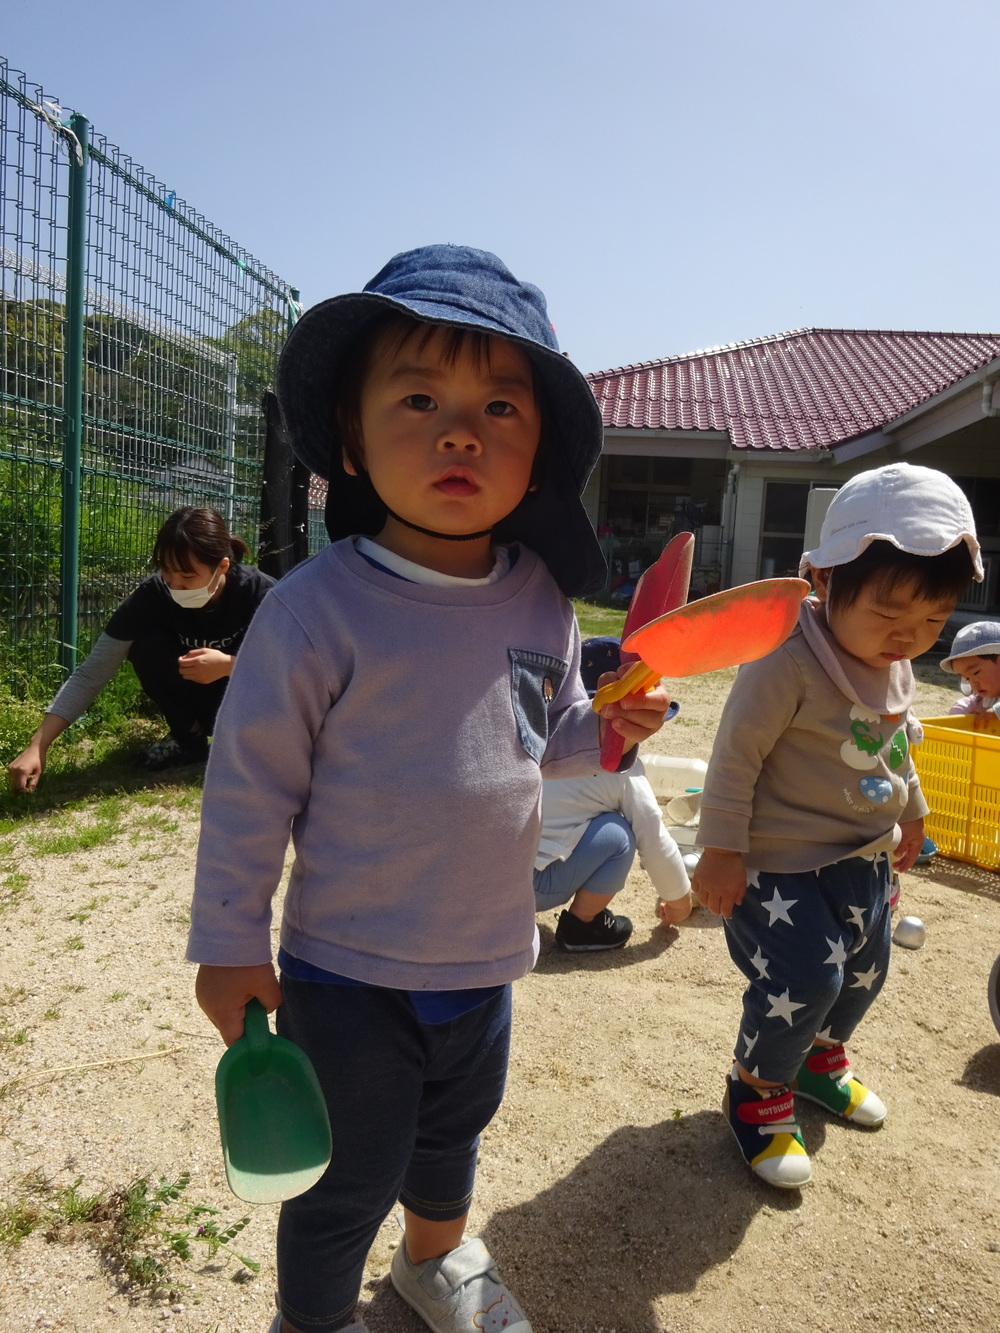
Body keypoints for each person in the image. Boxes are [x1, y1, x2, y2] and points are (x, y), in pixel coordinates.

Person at [186, 245, 675, 1333]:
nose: (462, 429)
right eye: (420, 397)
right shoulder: (318, 610)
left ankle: (432, 1263)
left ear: (539, 448)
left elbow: (533, 736)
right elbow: (250, 785)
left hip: (486, 955)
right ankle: (311, 1319)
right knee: (341, 1174)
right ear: (351, 443)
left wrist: (610, 732)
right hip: (348, 970)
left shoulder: (542, 603)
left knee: (452, 1137)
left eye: (501, 405)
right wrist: (228, 938)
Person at [691, 462, 980, 1189]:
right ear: (822, 582)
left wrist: (913, 810)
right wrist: (721, 850)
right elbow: (734, 756)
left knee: (867, 967)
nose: (909, 636)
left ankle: (820, 1062)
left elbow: (894, 740)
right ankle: (756, 1090)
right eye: (889, 615)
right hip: (779, 864)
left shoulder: (897, 663)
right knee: (807, 973)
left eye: (932, 621)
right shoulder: (785, 661)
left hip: (861, 857)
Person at [7, 507, 275, 789]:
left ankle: (247, 739)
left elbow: (295, 668)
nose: (176, 586)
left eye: (187, 577)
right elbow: (92, 673)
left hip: (248, 701)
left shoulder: (261, 593)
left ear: (221, 566)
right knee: (146, 646)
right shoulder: (154, 595)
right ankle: (189, 741)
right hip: (195, 698)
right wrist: (38, 745)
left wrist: (229, 666)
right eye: (167, 573)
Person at [534, 636, 692, 951]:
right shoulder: (622, 773)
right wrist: (679, 902)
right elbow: (653, 837)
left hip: (496, 878)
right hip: (537, 888)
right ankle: (583, 926)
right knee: (618, 835)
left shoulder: (542, 740)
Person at [941, 620, 1000, 725]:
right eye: (967, 678)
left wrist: (995, 712)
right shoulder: (985, 699)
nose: (974, 684)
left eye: (976, 673)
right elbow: (972, 702)